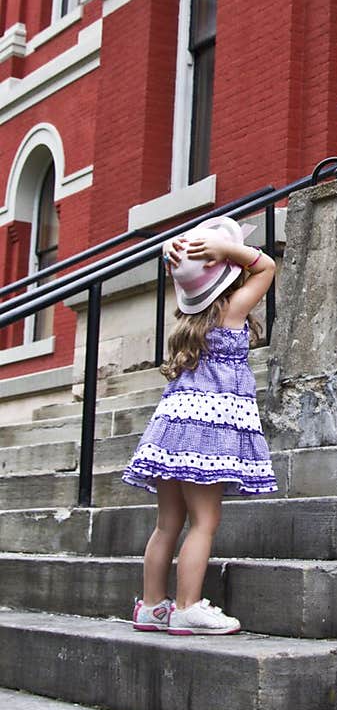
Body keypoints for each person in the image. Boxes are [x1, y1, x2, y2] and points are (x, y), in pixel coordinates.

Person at [122, 215, 277, 635]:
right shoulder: (233, 311)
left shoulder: (189, 325)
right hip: (208, 430)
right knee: (204, 522)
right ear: (227, 275)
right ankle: (188, 606)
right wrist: (227, 250)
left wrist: (174, 255)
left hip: (174, 425)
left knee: (166, 523)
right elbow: (266, 266)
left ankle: (152, 606)